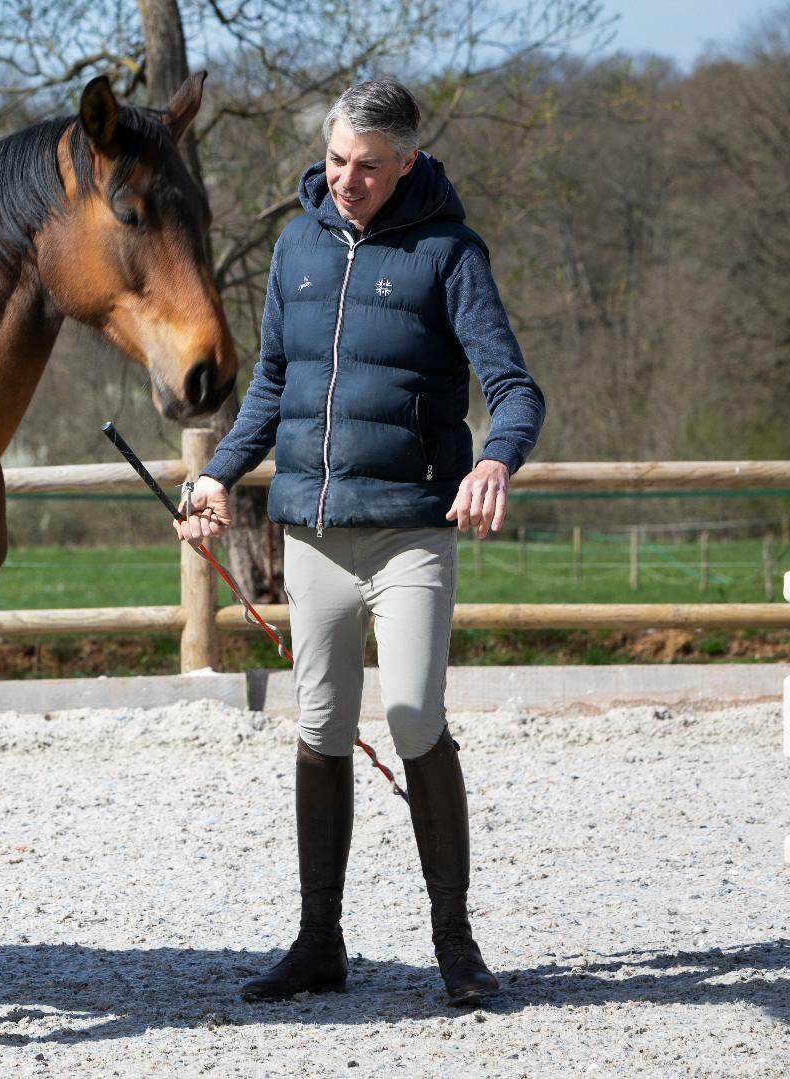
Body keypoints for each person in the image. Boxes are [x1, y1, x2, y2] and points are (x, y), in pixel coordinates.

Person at [176, 78, 545, 1006]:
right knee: (320, 728)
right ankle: (318, 941)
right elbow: (269, 385)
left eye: (368, 167)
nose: (345, 178)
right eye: (337, 159)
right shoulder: (296, 245)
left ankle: (455, 942)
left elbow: (514, 388)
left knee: (416, 715)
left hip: (412, 532)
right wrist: (218, 471)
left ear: (407, 164)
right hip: (314, 534)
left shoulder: (449, 253)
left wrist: (496, 459)